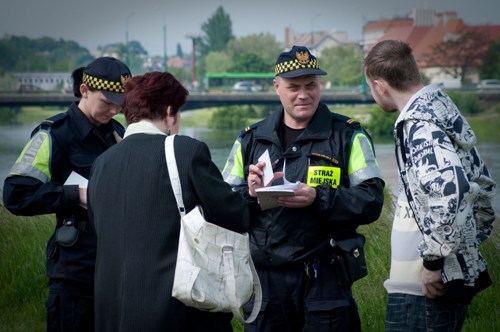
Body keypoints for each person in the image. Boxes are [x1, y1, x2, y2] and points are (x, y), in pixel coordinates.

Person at [222, 45, 385, 331]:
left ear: (320, 84)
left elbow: (371, 201)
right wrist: (249, 195)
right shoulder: (250, 140)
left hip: (326, 280)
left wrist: (318, 197)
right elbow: (222, 207)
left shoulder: (348, 135)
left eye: (311, 85)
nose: (303, 94)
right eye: (293, 86)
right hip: (266, 284)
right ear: (276, 87)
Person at [86, 71, 250, 332]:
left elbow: (97, 227)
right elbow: (231, 214)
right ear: (170, 111)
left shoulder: (102, 163)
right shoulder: (185, 151)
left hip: (112, 313)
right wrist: (255, 195)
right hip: (173, 311)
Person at [363, 39, 496, 331]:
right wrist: (463, 251)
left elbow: (454, 190)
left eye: (372, 90)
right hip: (432, 283)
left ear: (380, 86)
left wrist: (435, 263)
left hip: (420, 290)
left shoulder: (419, 124)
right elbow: (483, 189)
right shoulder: (443, 113)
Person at [3, 56, 132, 332]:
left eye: (118, 105)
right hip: (75, 272)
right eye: (106, 102)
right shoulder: (53, 134)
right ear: (84, 91)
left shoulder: (119, 135)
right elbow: (16, 194)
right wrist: (76, 195)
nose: (112, 110)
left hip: (117, 269)